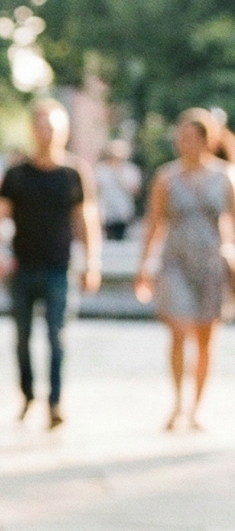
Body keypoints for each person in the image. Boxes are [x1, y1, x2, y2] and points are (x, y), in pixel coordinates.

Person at [0, 98, 102, 429]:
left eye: (51, 126)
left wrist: (92, 261)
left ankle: (54, 401)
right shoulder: (17, 174)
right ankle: (27, 396)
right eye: (40, 126)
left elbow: (86, 218)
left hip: (59, 267)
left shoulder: (74, 173)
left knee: (56, 337)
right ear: (32, 130)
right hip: (23, 267)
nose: (45, 133)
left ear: (63, 132)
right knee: (21, 338)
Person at [134, 109, 235, 430]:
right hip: (175, 261)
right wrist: (144, 266)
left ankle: (196, 408)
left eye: (192, 137)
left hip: (211, 262)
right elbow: (153, 223)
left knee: (206, 337)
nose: (185, 143)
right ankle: (177, 402)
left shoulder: (226, 177)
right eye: (182, 137)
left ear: (207, 140)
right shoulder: (166, 177)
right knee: (178, 330)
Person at [95, 138, 143, 242]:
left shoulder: (131, 170)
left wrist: (121, 180)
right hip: (106, 212)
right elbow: (96, 190)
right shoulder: (101, 169)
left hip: (123, 211)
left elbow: (136, 191)